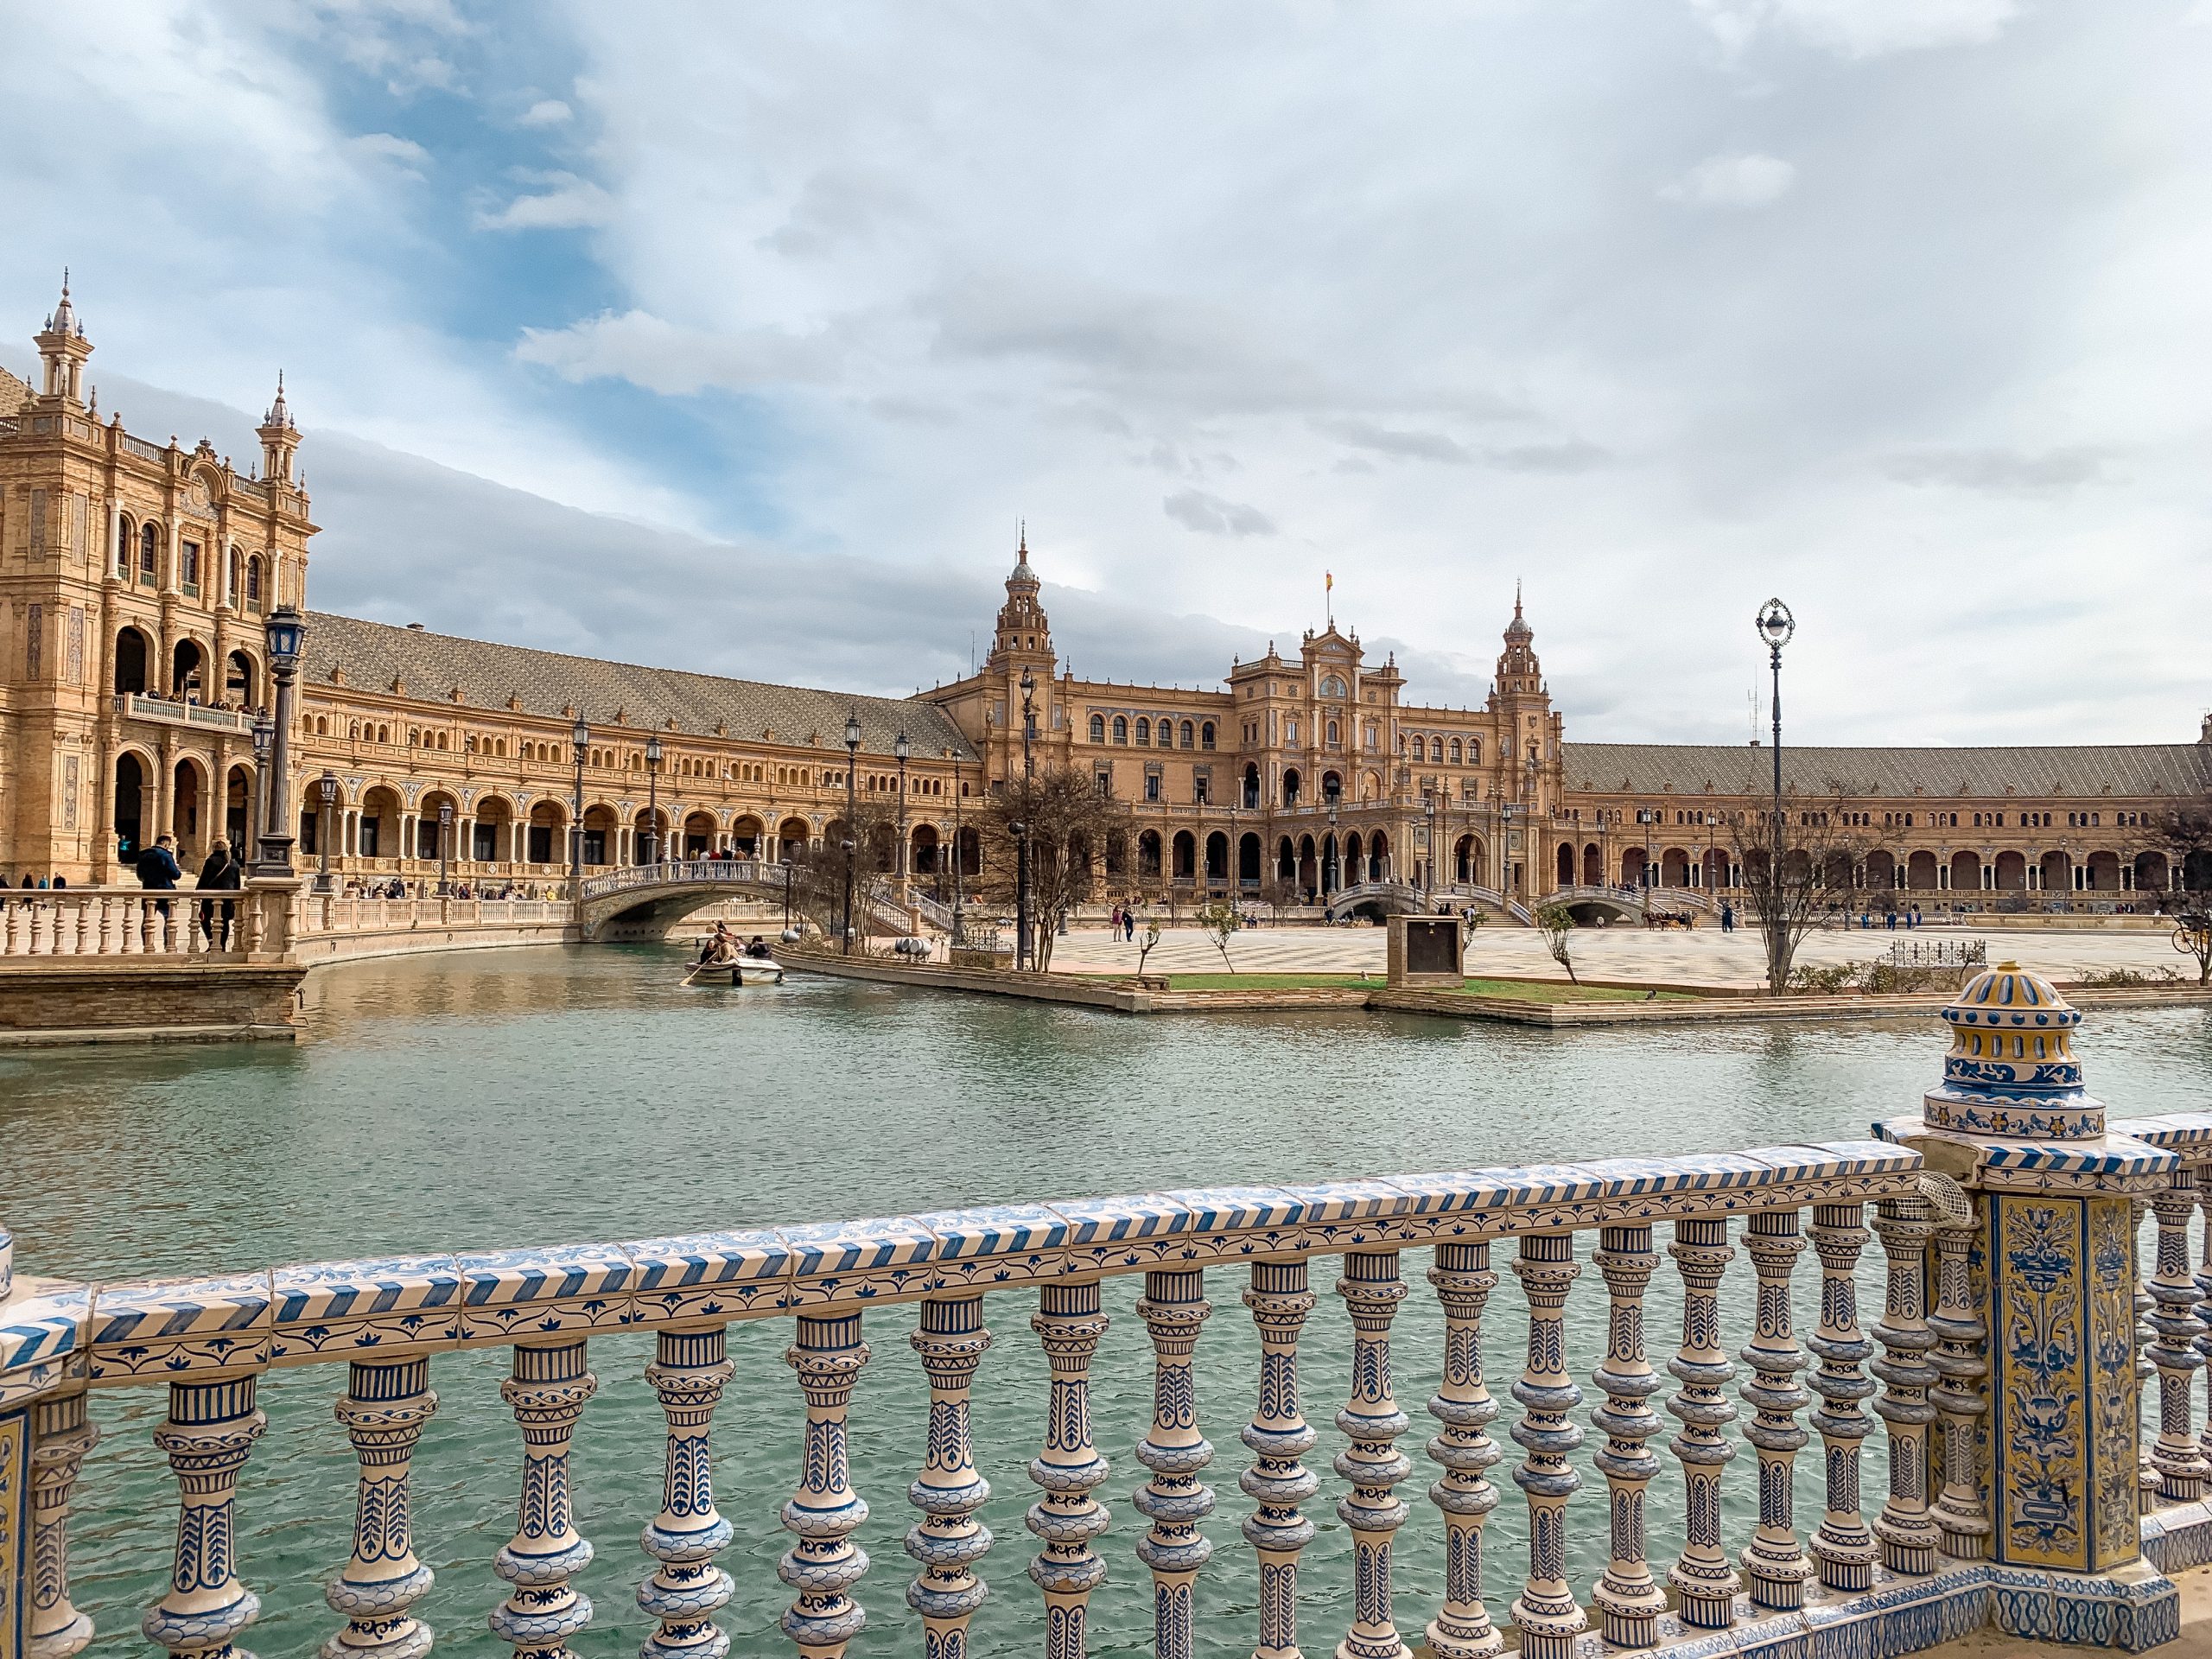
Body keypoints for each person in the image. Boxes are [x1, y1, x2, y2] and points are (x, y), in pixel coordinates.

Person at [196, 838, 241, 945]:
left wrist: (198, 891)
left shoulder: (211, 861)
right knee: (224, 921)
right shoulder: (233, 863)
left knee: (204, 918)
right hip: (228, 898)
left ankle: (212, 942)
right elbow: (237, 883)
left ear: (214, 849)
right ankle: (223, 945)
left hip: (211, 897)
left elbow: (204, 878)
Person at [135, 832, 183, 919]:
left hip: (148, 889)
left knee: (147, 918)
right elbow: (175, 874)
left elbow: (139, 875)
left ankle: (146, 934)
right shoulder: (165, 855)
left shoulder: (143, 855)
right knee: (169, 918)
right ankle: (167, 934)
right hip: (165, 890)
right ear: (166, 844)